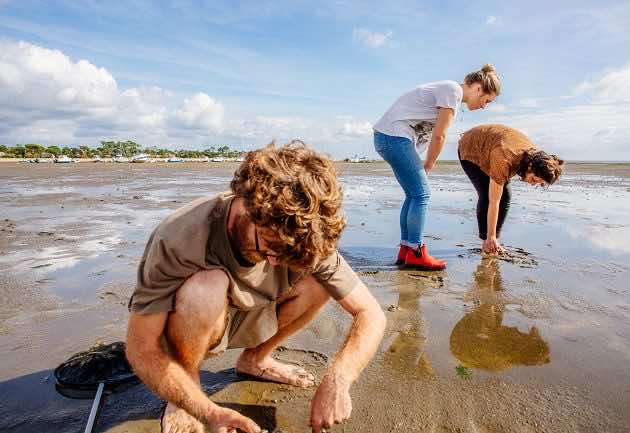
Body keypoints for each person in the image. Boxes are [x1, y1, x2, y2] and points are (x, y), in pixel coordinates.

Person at [125, 141, 386, 433]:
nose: (276, 262)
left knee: (318, 280)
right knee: (207, 285)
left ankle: (255, 359)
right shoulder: (179, 236)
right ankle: (188, 385)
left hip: (253, 312)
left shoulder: (303, 232)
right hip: (191, 320)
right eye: (271, 247)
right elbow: (141, 348)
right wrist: (207, 410)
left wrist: (339, 378)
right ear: (246, 207)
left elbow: (372, 314)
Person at [373, 64, 501, 270]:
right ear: (478, 88)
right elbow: (439, 135)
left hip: (388, 137)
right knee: (421, 194)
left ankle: (406, 250)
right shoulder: (453, 91)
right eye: (487, 100)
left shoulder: (451, 93)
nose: (484, 106)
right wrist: (429, 164)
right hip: (393, 137)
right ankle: (416, 252)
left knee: (413, 195)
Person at [458, 124, 564, 254]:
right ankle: (487, 242)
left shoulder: (531, 155)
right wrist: (490, 236)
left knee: (506, 195)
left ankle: (493, 241)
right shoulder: (504, 159)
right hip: (470, 148)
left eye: (539, 183)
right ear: (530, 167)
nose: (533, 184)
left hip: (494, 148)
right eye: (535, 180)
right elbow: (494, 202)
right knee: (486, 194)